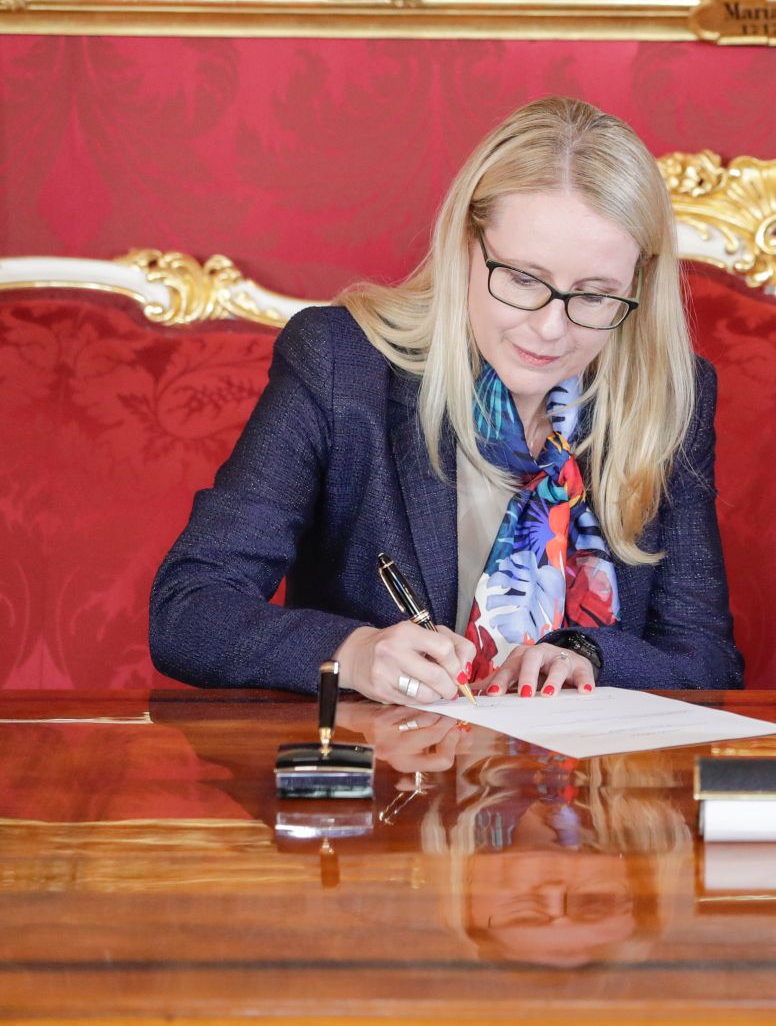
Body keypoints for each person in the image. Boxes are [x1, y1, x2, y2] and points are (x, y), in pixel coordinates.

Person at [151, 97, 741, 703]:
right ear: (465, 245)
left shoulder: (670, 397)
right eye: (523, 279)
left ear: (638, 283)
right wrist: (353, 653)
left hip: (586, 765)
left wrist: (588, 654)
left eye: (593, 295)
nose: (550, 329)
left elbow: (706, 661)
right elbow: (189, 606)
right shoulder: (340, 365)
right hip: (389, 759)